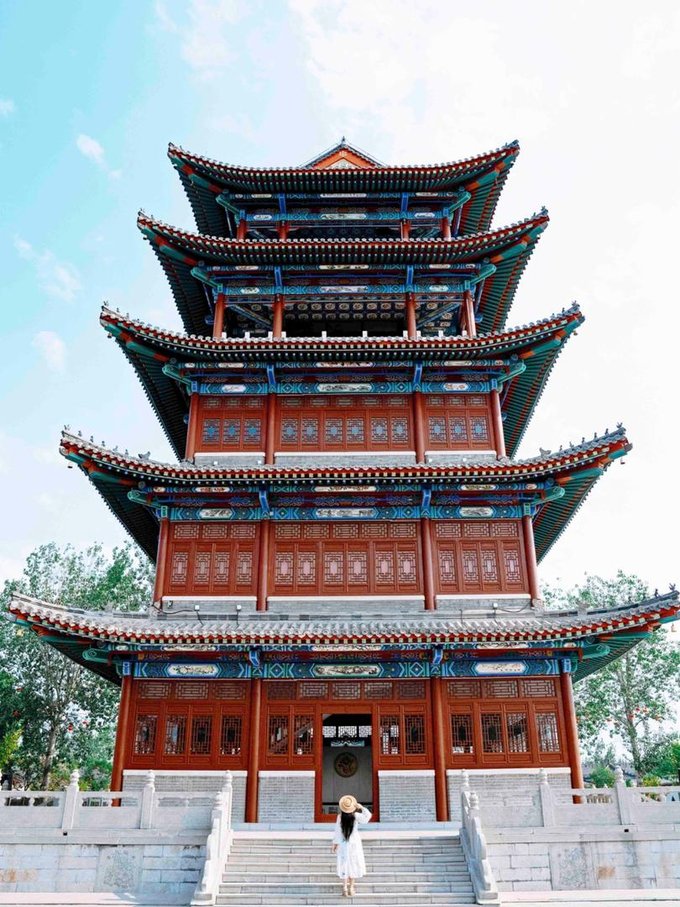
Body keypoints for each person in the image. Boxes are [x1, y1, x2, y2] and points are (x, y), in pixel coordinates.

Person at [331, 794, 372, 897]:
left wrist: (335, 843)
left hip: (343, 843)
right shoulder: (356, 816)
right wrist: (361, 807)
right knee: (353, 863)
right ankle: (351, 887)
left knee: (344, 864)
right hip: (354, 842)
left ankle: (345, 887)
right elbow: (367, 817)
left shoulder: (340, 817)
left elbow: (337, 831)